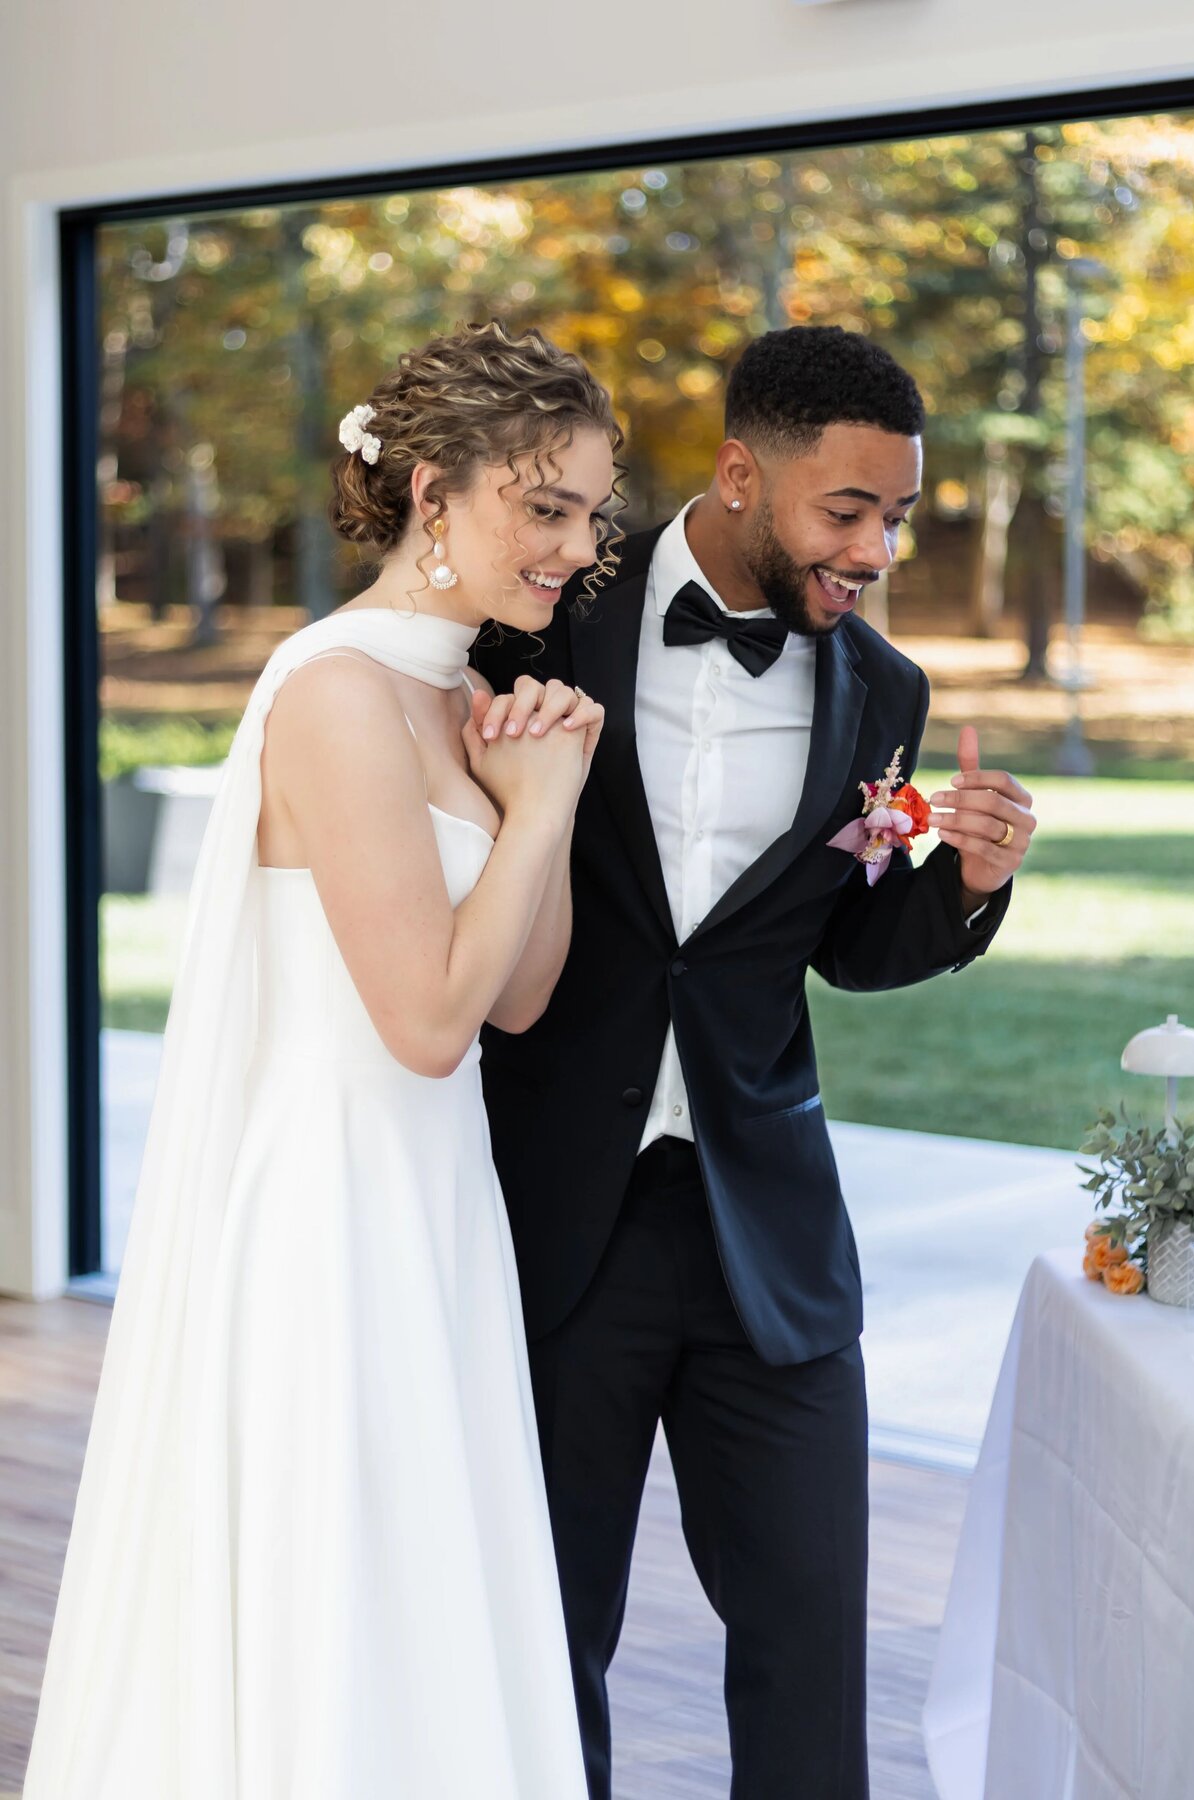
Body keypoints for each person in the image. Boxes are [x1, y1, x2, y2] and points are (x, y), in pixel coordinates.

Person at [22, 320, 620, 1800]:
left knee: (423, 1590)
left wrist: (532, 795)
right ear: (433, 491)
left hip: (434, 1201)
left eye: (590, 514)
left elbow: (523, 996)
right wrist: (545, 808)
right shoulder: (337, 691)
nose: (577, 549)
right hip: (330, 1211)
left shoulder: (456, 693)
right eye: (546, 508)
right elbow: (427, 1024)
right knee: (338, 1595)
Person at [473, 323, 1037, 1800]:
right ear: (738, 475)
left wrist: (967, 885)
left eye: (895, 516)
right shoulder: (543, 621)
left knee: (808, 1642)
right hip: (554, 1215)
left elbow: (843, 945)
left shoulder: (885, 694)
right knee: (546, 1641)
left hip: (764, 1233)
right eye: (846, 512)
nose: (876, 553)